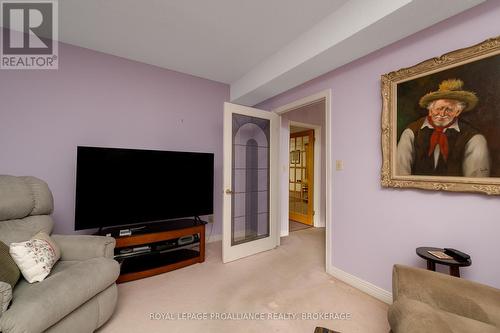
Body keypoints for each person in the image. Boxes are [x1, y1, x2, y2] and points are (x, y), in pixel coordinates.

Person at [397, 79, 490, 177]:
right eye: (439, 108)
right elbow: (400, 174)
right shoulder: (410, 133)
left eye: (449, 109)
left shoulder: (475, 139)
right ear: (430, 110)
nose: (442, 114)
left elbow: (476, 181)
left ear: (457, 112)